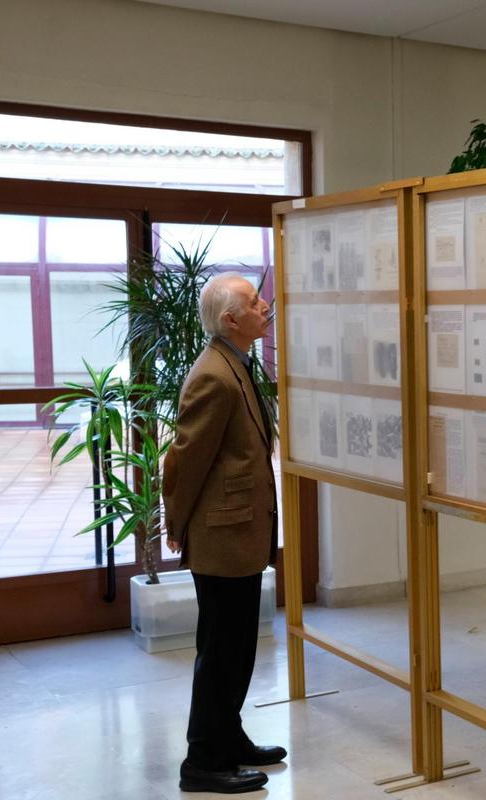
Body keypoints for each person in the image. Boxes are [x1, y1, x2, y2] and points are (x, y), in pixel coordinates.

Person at [163, 273, 284, 794]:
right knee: (221, 652)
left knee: (236, 648)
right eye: (255, 303)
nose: (265, 306)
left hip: (237, 533)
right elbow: (186, 461)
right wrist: (176, 523)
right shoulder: (214, 374)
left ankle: (228, 739)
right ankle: (203, 762)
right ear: (231, 320)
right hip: (221, 535)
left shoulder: (235, 361)